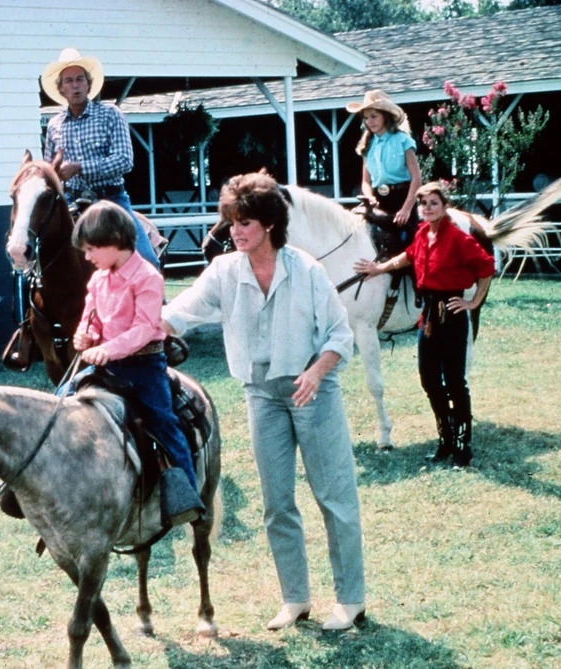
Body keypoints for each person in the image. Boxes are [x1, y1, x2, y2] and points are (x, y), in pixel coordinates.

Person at [162, 172, 366, 632]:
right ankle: (295, 598)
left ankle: (350, 599)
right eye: (231, 221)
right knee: (277, 503)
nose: (235, 231)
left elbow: (339, 334)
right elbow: (180, 312)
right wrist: (129, 327)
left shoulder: (307, 270)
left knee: (334, 497)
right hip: (261, 395)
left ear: (270, 224)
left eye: (245, 222)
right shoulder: (224, 271)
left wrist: (316, 372)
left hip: (312, 390)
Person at [71, 200, 203, 526]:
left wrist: (109, 349)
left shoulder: (147, 277)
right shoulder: (98, 280)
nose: (87, 257)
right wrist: (85, 335)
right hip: (108, 365)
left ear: (115, 239)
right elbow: (92, 320)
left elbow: (145, 329)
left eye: (91, 249)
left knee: (164, 423)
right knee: (61, 402)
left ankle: (187, 497)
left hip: (144, 367)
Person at [354, 182, 495, 468]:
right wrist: (379, 268)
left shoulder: (457, 238)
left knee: (455, 382)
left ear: (444, 207)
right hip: (428, 315)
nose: (427, 208)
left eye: (433, 203)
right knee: (430, 380)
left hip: (452, 313)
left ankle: (462, 446)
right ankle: (444, 441)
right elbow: (407, 257)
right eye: (423, 204)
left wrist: (473, 303)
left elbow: (486, 268)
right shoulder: (421, 233)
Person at [41, 47, 161, 269]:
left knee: (147, 260)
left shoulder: (110, 114)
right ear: (61, 89)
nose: (75, 85)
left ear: (88, 84)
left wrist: (80, 168)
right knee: (41, 256)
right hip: (70, 201)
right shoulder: (54, 125)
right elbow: (51, 170)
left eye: (79, 79)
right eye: (68, 81)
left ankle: (157, 302)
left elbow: (124, 160)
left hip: (111, 200)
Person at [346, 90, 422, 247]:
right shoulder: (367, 145)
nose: (370, 121)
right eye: (366, 118)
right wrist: (369, 197)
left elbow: (416, 177)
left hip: (403, 198)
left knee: (407, 244)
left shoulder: (403, 141)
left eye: (374, 116)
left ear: (385, 116)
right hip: (378, 200)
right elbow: (366, 181)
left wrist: (406, 209)